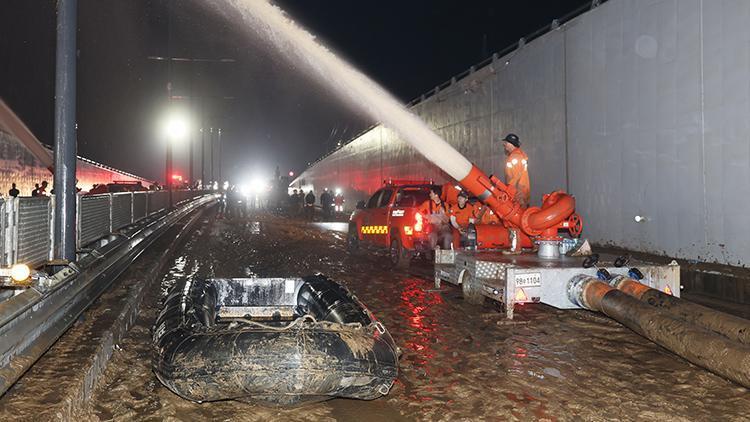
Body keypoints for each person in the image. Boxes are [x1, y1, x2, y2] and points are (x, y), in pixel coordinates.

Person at [500, 133, 530, 207]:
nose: (504, 144)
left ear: (511, 144)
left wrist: (509, 191)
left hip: (518, 193)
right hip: (519, 191)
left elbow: (516, 176)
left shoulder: (515, 157)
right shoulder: (517, 155)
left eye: (506, 142)